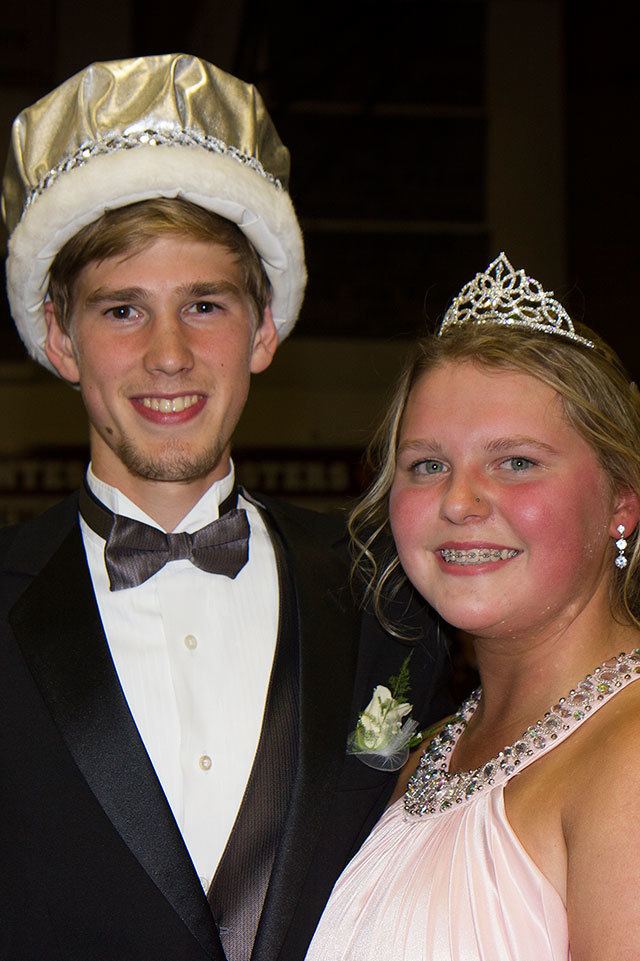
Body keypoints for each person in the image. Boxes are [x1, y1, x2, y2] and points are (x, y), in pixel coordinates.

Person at [0, 55, 451, 961]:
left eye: (204, 304)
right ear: (59, 336)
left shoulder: (390, 594)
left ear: (265, 328)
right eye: (123, 311)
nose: (169, 354)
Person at [305, 252, 640, 961]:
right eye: (427, 464)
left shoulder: (630, 753)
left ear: (621, 501)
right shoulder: (422, 754)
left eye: (515, 461)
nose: (458, 501)